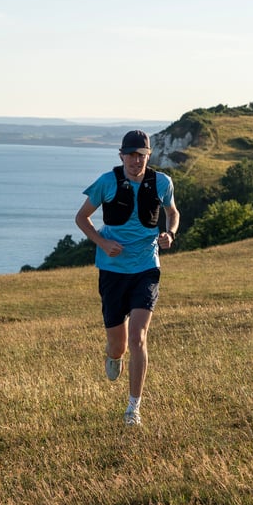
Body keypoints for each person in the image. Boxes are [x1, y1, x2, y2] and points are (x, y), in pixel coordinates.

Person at [74, 130, 180, 427]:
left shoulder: (162, 183)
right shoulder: (107, 182)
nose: (136, 160)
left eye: (141, 155)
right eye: (131, 155)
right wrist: (103, 243)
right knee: (118, 345)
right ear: (121, 156)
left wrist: (169, 233)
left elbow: (173, 213)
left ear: (149, 156)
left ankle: (133, 408)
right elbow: (82, 218)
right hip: (112, 269)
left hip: (146, 266)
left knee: (138, 337)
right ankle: (113, 355)